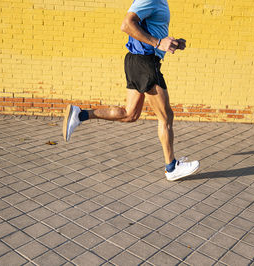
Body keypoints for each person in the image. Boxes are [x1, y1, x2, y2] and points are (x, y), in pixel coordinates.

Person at [63, 0, 199, 181]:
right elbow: (127, 24)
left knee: (130, 114)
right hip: (145, 62)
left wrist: (170, 43)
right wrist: (158, 43)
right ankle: (171, 167)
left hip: (138, 61)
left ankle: (80, 115)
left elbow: (151, 29)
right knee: (166, 117)